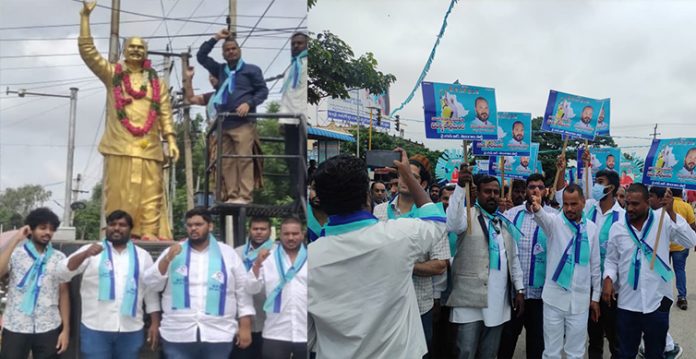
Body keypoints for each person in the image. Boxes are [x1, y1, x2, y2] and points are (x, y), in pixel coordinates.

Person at [308, 151, 447, 358]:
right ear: (367, 194)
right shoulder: (397, 237)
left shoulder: (306, 260)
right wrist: (407, 174)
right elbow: (435, 219)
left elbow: (308, 337)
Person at [78, 1, 178, 240]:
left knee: (151, 193)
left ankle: (150, 234)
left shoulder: (158, 83)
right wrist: (85, 18)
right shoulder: (113, 75)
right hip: (119, 146)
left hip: (150, 147)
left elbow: (164, 112)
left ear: (146, 53)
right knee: (118, 195)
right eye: (131, 47)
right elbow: (89, 53)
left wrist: (171, 140)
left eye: (140, 48)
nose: (135, 51)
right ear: (124, 51)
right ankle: (118, 233)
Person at [144, 207, 254, 358]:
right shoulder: (174, 251)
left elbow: (243, 291)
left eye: (198, 224)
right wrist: (166, 259)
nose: (193, 228)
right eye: (189, 225)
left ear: (210, 226)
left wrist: (245, 326)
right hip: (178, 331)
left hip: (218, 331)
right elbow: (152, 283)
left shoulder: (228, 253)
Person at [603, 185, 696, 358]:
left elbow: (691, 241)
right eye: (628, 203)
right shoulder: (618, 228)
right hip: (627, 305)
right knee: (625, 353)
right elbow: (611, 260)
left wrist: (672, 214)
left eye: (636, 204)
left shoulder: (663, 220)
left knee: (655, 353)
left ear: (648, 202)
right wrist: (608, 278)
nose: (630, 208)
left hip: (657, 302)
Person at [373, 157, 451, 357]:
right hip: (384, 303)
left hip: (418, 304)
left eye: (412, 176)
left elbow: (441, 264)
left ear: (422, 184)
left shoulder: (432, 216)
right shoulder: (379, 211)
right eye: (402, 175)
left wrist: (407, 264)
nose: (405, 180)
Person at [58, 210, 161, 358]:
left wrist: (155, 322)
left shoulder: (142, 255)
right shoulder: (91, 250)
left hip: (131, 328)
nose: (117, 228)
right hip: (95, 328)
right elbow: (63, 273)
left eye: (122, 225)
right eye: (112, 224)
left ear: (130, 229)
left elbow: (150, 292)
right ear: (107, 228)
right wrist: (85, 254)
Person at [447, 171, 525, 359]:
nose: (492, 196)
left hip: (498, 302)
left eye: (496, 192)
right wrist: (460, 188)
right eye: (487, 191)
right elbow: (451, 223)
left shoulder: (504, 223)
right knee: (465, 352)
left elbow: (513, 259)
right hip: (469, 301)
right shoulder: (468, 217)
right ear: (477, 193)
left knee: (489, 354)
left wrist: (519, 289)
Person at [197, 28, 269, 204]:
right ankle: (232, 195)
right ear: (223, 54)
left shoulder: (252, 70)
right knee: (227, 162)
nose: (230, 52)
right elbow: (201, 57)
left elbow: (263, 91)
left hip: (243, 123)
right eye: (227, 50)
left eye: (233, 49)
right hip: (224, 124)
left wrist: (249, 104)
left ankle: (245, 196)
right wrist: (216, 37)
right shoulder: (220, 70)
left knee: (244, 159)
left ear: (239, 50)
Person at [531, 183, 601, 359]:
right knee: (551, 352)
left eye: (574, 204)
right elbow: (542, 218)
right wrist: (538, 208)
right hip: (554, 300)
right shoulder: (555, 222)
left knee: (575, 352)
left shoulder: (591, 228)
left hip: (579, 301)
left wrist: (595, 298)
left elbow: (595, 266)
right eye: (566, 204)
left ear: (583, 203)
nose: (569, 209)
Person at [498, 174, 557, 359]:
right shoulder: (511, 215)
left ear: (546, 190)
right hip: (515, 293)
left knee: (537, 344)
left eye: (540, 187)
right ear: (526, 190)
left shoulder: (555, 218)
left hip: (541, 295)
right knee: (506, 341)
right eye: (532, 187)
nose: (536, 190)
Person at [0, 208, 70, 359]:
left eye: (52, 229)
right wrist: (16, 239)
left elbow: (63, 294)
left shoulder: (59, 258)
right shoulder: (16, 254)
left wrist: (66, 330)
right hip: (16, 324)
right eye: (42, 228)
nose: (48, 232)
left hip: (49, 325)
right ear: (30, 229)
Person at [246, 217, 307, 359]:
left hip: (306, 331)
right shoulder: (268, 257)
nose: (291, 238)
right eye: (286, 234)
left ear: (302, 234)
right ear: (280, 234)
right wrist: (257, 264)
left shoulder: (312, 256)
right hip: (276, 332)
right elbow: (251, 288)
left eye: (295, 233)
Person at [234, 216, 274, 358]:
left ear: (270, 231)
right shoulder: (237, 253)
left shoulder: (277, 252)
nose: (259, 232)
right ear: (249, 230)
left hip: (268, 317)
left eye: (263, 229)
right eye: (255, 229)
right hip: (242, 317)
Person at [280, 32, 309, 202]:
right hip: (289, 121)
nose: (295, 46)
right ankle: (297, 198)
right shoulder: (291, 68)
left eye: (299, 43)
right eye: (293, 44)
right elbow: (287, 96)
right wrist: (282, 120)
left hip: (302, 121)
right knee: (290, 159)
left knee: (301, 160)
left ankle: (303, 198)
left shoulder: (306, 65)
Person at [669, 188, 696, 310]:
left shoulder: (664, 205)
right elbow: (693, 225)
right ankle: (682, 297)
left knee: (661, 272)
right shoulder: (686, 206)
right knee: (680, 271)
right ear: (681, 193)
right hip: (681, 246)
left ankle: (660, 296)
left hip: (665, 245)